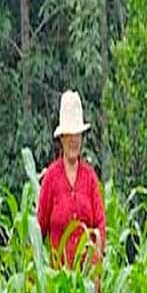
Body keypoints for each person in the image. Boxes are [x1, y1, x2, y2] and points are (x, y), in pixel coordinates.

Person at [37, 90, 105, 277]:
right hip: (59, 279)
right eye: (69, 135)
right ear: (61, 139)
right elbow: (39, 229)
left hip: (87, 283)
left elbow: (100, 224)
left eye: (77, 135)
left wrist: (96, 263)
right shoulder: (51, 178)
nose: (74, 140)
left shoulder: (90, 178)